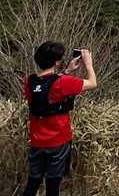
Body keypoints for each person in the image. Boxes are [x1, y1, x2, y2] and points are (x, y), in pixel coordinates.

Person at [20, 42, 96, 196]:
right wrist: (88, 64)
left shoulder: (29, 81)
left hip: (36, 141)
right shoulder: (63, 82)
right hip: (58, 141)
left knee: (33, 183)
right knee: (53, 185)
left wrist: (67, 71)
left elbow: (48, 83)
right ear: (56, 62)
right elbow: (93, 83)